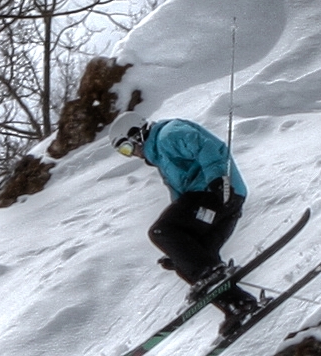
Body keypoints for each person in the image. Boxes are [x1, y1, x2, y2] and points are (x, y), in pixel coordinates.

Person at [113, 116, 268, 335]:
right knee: (185, 263)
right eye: (124, 153)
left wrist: (218, 181)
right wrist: (178, 249)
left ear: (137, 134)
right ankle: (239, 305)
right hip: (218, 203)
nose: (132, 155)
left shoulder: (168, 135)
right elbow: (180, 203)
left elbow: (206, 146)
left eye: (127, 148)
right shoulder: (161, 159)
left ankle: (210, 272)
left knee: (160, 232)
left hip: (217, 195)